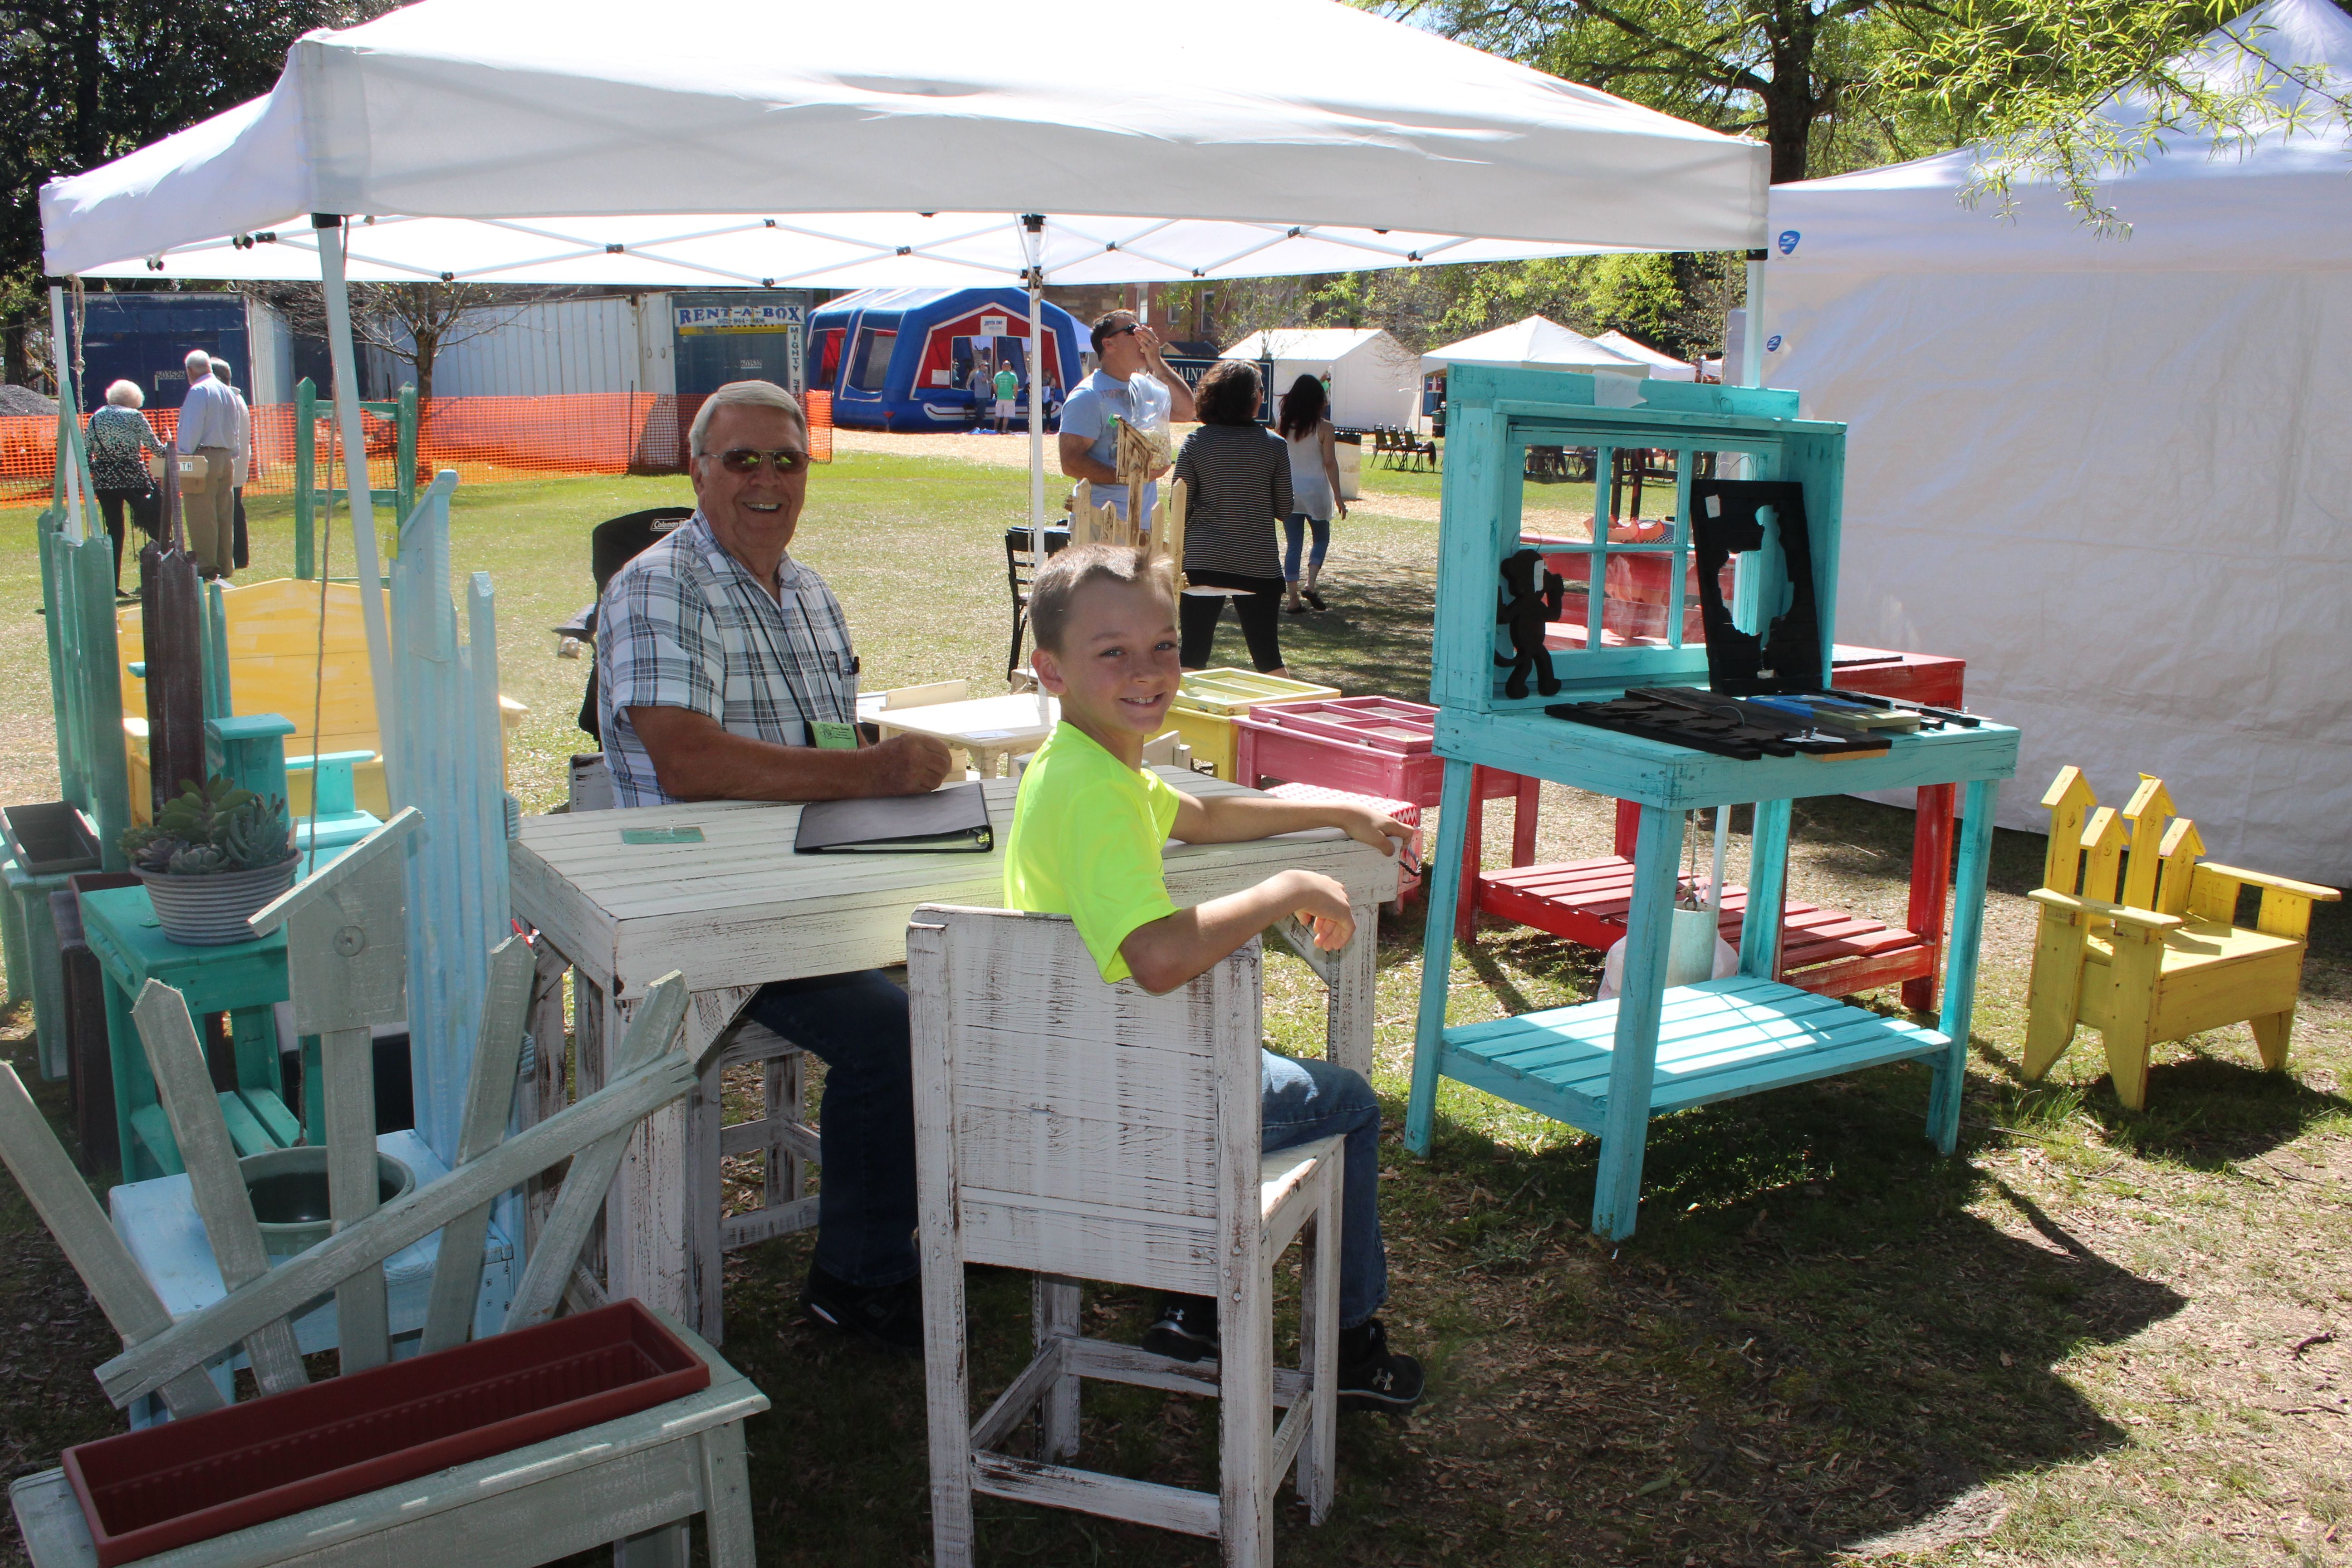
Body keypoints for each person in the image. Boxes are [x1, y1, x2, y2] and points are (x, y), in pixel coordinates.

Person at [1004, 542, 1426, 1414]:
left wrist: (1329, 806)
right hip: (1130, 1101)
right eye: (1111, 651)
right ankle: (1349, 1343)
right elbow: (1157, 958)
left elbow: (1195, 814)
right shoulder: (1093, 793)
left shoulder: (1086, 765)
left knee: (1259, 1065)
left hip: (1077, 1073)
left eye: (1163, 645)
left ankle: (1192, 1310)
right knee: (1343, 1100)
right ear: (1050, 670)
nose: (1148, 669)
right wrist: (1285, 888)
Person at [596, 378, 956, 1351]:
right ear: (698, 470)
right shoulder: (656, 586)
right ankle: (859, 1281)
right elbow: (690, 760)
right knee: (904, 1031)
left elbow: (824, 743)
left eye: (786, 460)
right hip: (706, 919)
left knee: (989, 968)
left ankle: (974, 1225)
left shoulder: (807, 594)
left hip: (813, 893)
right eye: (742, 459)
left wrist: (885, 768)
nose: (767, 480)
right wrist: (869, 768)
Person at [1170, 361, 1291, 676]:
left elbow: (1179, 505)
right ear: (1252, 397)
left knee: (1192, 654)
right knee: (1268, 657)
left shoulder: (1197, 442)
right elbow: (1285, 509)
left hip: (1203, 559)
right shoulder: (1275, 446)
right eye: (1261, 390)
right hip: (1257, 563)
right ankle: (1291, 718)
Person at [1058, 310, 1197, 525]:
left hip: (1142, 522)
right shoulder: (1088, 396)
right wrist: (1130, 477)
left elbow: (1188, 411)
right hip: (1100, 523)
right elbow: (1071, 463)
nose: (1143, 335)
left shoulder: (1142, 385)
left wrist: (1157, 363)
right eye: (1132, 330)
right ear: (1109, 344)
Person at [84, 380, 166, 598]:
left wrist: (99, 468)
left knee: (114, 531)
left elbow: (86, 452)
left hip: (105, 481)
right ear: (134, 399)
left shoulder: (96, 417)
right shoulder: (135, 416)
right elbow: (156, 448)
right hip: (133, 477)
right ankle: (166, 569)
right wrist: (171, 448)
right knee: (154, 522)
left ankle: (113, 583)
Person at [1276, 373, 1348, 615]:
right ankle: (1311, 583)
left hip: (1289, 490)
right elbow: (1330, 463)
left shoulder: (1283, 425)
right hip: (1316, 491)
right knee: (1321, 538)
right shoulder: (1325, 428)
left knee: (1294, 544)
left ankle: (1293, 598)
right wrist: (1339, 496)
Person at [173, 348, 241, 578]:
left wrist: (181, 456)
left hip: (203, 458)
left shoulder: (198, 391)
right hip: (226, 457)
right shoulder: (227, 391)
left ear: (190, 371)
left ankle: (205, 564)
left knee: (201, 512)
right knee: (224, 513)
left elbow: (191, 429)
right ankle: (225, 563)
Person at [209, 357, 252, 571]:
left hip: (230, 462)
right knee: (236, 508)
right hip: (238, 461)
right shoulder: (238, 399)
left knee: (229, 510)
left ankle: (234, 556)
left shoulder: (227, 400)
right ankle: (239, 556)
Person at [992, 361, 1019, 434]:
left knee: (998, 415)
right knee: (1006, 416)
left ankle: (995, 429)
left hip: (1000, 398)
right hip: (1009, 398)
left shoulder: (998, 375)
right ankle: (1004, 430)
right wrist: (1016, 396)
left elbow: (994, 385)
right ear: (1010, 367)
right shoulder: (1013, 376)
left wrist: (998, 393)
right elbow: (1016, 387)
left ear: (1002, 367)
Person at [966, 358, 992, 428]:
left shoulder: (981, 374)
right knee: (981, 413)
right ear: (981, 366)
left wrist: (990, 382)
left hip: (983, 396)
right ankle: (979, 427)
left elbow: (983, 383)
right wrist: (987, 372)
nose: (986, 367)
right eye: (985, 366)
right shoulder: (980, 374)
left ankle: (980, 426)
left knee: (982, 412)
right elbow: (984, 380)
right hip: (981, 397)